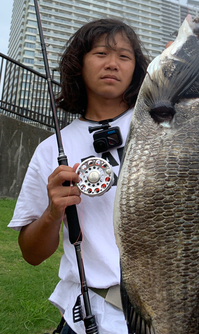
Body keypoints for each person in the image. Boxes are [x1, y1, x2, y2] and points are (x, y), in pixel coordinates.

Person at [8, 18, 150, 334]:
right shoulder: (50, 150)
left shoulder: (164, 126)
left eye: (124, 56)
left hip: (168, 308)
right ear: (79, 64)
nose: (113, 64)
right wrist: (51, 213)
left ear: (137, 69)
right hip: (92, 316)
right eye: (101, 53)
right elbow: (31, 255)